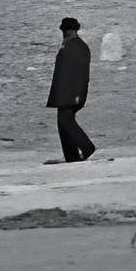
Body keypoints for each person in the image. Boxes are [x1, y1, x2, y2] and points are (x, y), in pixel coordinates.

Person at [47, 17, 95, 163]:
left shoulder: (75, 47)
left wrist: (75, 95)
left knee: (65, 119)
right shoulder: (73, 46)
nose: (65, 34)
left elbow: (76, 74)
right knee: (63, 122)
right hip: (67, 94)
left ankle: (86, 147)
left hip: (71, 94)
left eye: (66, 31)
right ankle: (71, 155)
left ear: (71, 31)